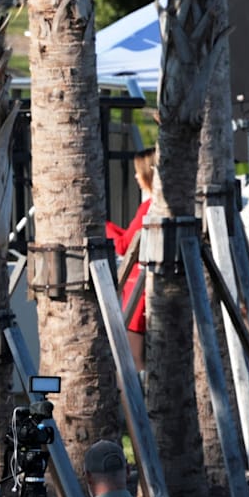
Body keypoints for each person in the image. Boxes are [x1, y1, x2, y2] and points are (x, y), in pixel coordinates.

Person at [104, 148, 156, 366]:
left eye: (139, 171)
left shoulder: (148, 207)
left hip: (138, 288)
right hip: (145, 286)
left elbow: (125, 245)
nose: (136, 176)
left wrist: (103, 226)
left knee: (132, 357)